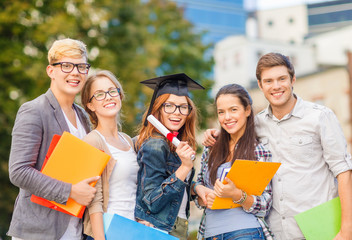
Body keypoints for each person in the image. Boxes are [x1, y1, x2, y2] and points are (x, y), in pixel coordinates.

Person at [203, 52, 352, 240]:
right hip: (277, 232)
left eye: (282, 79)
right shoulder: (256, 125)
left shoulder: (320, 117)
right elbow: (233, 131)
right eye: (268, 81)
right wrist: (216, 134)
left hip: (321, 228)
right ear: (260, 85)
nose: (276, 86)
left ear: (293, 79)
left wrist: (347, 230)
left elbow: (344, 172)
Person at [8, 38, 99, 240]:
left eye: (81, 67)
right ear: (51, 71)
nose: (75, 72)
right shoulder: (34, 110)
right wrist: (70, 191)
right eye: (66, 66)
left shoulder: (84, 117)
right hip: (38, 232)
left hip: (75, 231)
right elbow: (19, 171)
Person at [193, 84, 274, 240]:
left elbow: (265, 205)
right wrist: (203, 196)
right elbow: (199, 192)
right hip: (210, 234)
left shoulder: (258, 150)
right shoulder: (211, 148)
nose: (227, 117)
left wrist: (236, 195)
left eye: (233, 110)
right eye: (221, 112)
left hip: (245, 232)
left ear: (247, 110)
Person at [134, 73, 204, 240]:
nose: (177, 112)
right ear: (157, 109)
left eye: (183, 107)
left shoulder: (175, 144)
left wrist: (195, 189)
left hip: (177, 226)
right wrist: (185, 167)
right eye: (169, 106)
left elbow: (171, 183)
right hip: (159, 229)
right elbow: (153, 201)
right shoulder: (155, 145)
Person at [81, 70, 142, 240]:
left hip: (132, 231)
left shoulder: (128, 141)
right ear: (90, 105)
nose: (108, 97)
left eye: (112, 91)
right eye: (99, 94)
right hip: (108, 232)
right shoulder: (92, 141)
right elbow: (94, 202)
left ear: (120, 96)